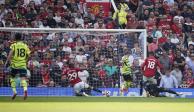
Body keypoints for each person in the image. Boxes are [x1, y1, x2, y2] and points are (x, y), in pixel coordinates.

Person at [5, 33, 31, 100]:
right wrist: (25, 61)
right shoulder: (25, 45)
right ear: (21, 38)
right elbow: (29, 55)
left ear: (15, 38)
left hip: (14, 65)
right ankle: (25, 90)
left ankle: (14, 92)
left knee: (12, 78)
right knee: (23, 79)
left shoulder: (14, 45)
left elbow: (10, 55)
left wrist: (7, 62)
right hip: (22, 65)